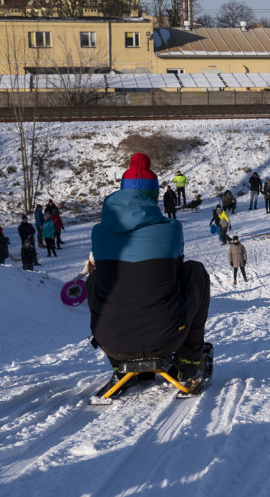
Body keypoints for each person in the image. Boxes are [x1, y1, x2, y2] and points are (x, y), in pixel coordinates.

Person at [88, 152, 211, 383]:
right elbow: (175, 273)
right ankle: (188, 362)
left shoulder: (99, 232)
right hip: (167, 337)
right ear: (154, 195)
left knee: (95, 279)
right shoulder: (171, 229)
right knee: (195, 272)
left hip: (112, 341)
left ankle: (120, 365)